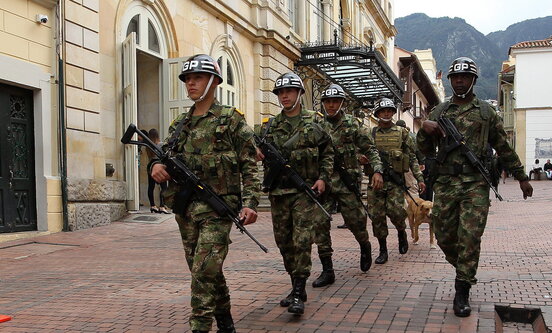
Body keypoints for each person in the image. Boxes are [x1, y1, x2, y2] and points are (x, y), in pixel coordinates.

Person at [150, 54, 260, 333]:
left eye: (196, 78)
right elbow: (164, 156)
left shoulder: (231, 120)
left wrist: (249, 203)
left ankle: (200, 326)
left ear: (213, 81)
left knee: (203, 270)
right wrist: (156, 166)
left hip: (218, 210)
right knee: (205, 268)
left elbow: (249, 165)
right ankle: (225, 319)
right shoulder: (180, 124)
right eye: (187, 79)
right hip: (186, 210)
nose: (190, 84)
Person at [417, 57, 533, 317]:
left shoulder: (485, 112)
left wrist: (521, 176)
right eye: (455, 78)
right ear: (450, 81)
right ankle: (464, 268)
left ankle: (462, 288)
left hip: (475, 184)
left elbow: (502, 146)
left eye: (465, 77)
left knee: (469, 237)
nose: (460, 81)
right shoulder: (439, 112)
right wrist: (425, 130)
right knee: (445, 236)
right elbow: (423, 151)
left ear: (473, 80)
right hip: (445, 183)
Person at [256, 72, 334, 315]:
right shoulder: (269, 127)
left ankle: (300, 291)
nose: (285, 96)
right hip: (278, 194)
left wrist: (323, 178)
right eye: (280, 92)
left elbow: (328, 152)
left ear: (300, 93)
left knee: (301, 241)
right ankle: (294, 285)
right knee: (284, 243)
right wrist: (256, 151)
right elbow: (250, 147)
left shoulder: (315, 121)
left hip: (304, 191)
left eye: (289, 91)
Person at [310, 84, 383, 288]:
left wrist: (377, 170)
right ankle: (327, 270)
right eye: (327, 101)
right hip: (323, 181)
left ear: (342, 103)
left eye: (335, 101)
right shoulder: (316, 124)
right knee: (319, 223)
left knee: (356, 221)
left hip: (346, 181)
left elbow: (370, 149)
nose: (331, 105)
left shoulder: (353, 124)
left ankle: (364, 244)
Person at [367, 97, 425, 265]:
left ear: (393, 113)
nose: (386, 113)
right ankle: (383, 249)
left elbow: (412, 158)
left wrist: (419, 178)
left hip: (395, 181)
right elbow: (360, 153)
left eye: (389, 110)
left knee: (397, 212)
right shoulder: (370, 133)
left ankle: (401, 231)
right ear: (377, 113)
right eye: (382, 111)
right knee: (377, 217)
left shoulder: (402, 133)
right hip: (375, 183)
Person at [146, 128, 169, 214]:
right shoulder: (161, 144)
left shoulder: (148, 146)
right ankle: (162, 206)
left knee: (151, 187)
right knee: (164, 187)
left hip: (150, 166)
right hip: (158, 165)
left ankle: (153, 206)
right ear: (157, 135)